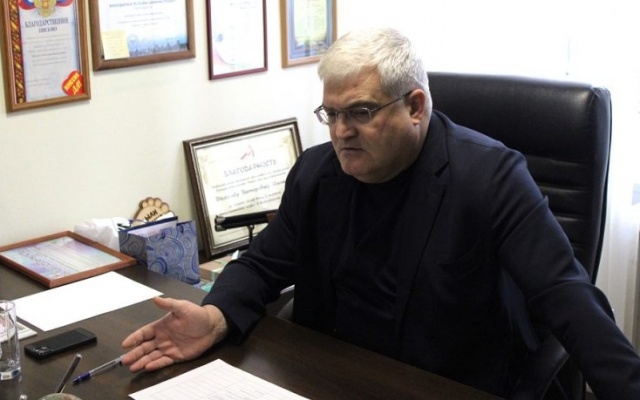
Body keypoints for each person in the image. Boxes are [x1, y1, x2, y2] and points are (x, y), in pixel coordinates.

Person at [121, 28, 640, 398]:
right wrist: (215, 317)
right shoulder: (317, 173)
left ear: (415, 106)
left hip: (446, 383)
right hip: (330, 376)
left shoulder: (491, 178)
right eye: (332, 113)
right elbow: (262, 265)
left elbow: (566, 297)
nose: (341, 132)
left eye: (361, 112)